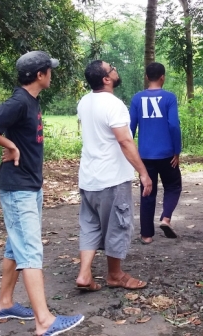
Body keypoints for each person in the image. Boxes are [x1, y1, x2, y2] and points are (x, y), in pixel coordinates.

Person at [0, 51, 84, 336]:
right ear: (39, 75)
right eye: (50, 70)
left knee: (15, 246)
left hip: (28, 185)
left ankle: (5, 303)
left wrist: (11, 144)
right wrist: (10, 145)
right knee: (31, 251)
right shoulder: (20, 101)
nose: (52, 74)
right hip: (18, 187)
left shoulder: (32, 101)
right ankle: (44, 321)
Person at [75, 60, 154, 292]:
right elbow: (124, 141)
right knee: (117, 225)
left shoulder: (84, 102)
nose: (116, 70)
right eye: (112, 68)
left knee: (90, 226)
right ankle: (115, 275)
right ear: (106, 79)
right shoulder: (114, 104)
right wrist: (143, 172)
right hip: (111, 178)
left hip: (88, 177)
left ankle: (84, 274)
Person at [129, 62, 182, 244]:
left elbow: (130, 129)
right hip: (167, 153)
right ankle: (166, 218)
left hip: (145, 155)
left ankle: (146, 235)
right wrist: (177, 150)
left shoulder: (137, 99)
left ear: (146, 77)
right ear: (162, 77)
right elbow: (174, 125)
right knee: (173, 186)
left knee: (147, 191)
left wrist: (131, 154)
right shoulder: (169, 98)